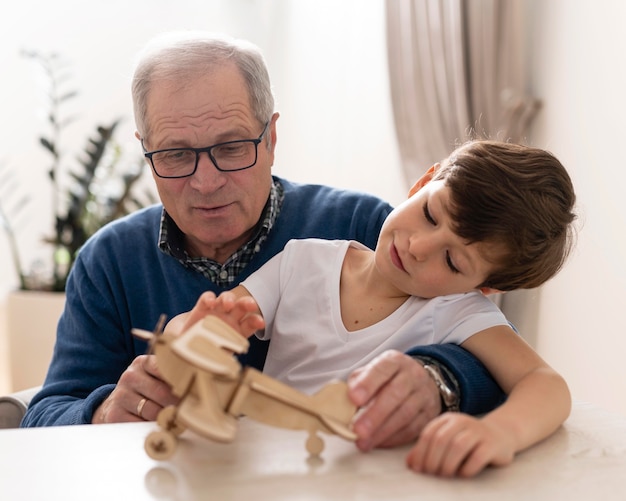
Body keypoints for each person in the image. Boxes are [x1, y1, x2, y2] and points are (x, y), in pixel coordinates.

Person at [22, 31, 506, 451]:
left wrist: (437, 380)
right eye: (174, 155)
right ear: (146, 154)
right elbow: (42, 416)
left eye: (231, 147)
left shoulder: (363, 227)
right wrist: (104, 411)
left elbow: (498, 355)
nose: (206, 182)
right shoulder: (108, 260)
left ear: (271, 138)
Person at [175, 139, 577, 477]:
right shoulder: (303, 261)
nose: (418, 248)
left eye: (453, 262)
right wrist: (203, 329)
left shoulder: (458, 310)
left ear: (484, 286)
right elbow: (189, 328)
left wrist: (500, 433)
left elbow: (546, 384)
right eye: (430, 215)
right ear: (422, 183)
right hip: (263, 470)